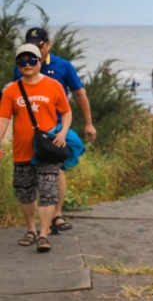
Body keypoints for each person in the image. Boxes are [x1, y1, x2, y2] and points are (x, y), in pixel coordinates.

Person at [14, 28, 95, 234]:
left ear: (48, 44)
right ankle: (39, 223)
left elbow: (79, 93)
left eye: (39, 45)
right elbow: (16, 98)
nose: (36, 49)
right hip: (31, 131)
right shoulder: (23, 65)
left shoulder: (63, 66)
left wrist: (88, 123)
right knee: (31, 173)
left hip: (56, 128)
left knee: (57, 169)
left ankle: (56, 214)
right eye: (31, 45)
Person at [0, 44, 72, 252]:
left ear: (40, 62)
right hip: (22, 151)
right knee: (25, 193)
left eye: (32, 60)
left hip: (47, 150)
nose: (28, 64)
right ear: (18, 64)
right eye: (23, 61)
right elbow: (3, 120)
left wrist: (63, 132)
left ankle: (44, 233)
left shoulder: (53, 86)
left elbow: (66, 112)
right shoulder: (12, 91)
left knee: (48, 192)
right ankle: (31, 229)